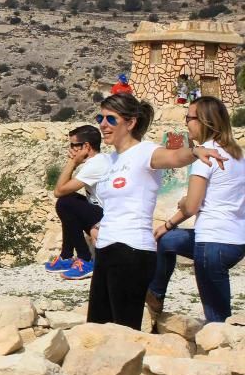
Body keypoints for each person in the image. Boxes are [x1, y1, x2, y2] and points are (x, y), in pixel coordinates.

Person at [86, 93, 225, 330]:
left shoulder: (145, 152)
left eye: (110, 119)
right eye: (100, 117)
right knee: (97, 328)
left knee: (124, 331)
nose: (102, 124)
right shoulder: (110, 160)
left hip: (132, 251)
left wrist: (193, 152)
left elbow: (173, 156)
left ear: (130, 123)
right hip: (106, 250)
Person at [147, 97, 244, 323]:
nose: (185, 123)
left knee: (217, 321)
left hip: (211, 243)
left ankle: (224, 354)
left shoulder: (205, 154)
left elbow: (191, 206)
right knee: (169, 241)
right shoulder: (237, 154)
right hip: (235, 242)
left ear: (204, 122)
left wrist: (168, 222)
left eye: (189, 118)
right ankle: (155, 294)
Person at [45, 125, 110, 280]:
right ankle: (66, 257)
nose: (71, 149)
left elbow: (59, 190)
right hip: (103, 212)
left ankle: (85, 259)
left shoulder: (94, 165)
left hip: (108, 217)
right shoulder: (101, 160)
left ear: (86, 146)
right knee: (68, 202)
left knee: (65, 203)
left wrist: (72, 162)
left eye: (73, 145)